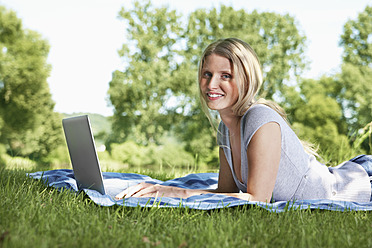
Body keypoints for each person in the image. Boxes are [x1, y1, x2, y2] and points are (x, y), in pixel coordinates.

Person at [115, 38, 372, 203]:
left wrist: (179, 192)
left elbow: (255, 199)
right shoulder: (225, 128)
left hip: (357, 186)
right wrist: (162, 189)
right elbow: (225, 193)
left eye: (225, 75)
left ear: (246, 80)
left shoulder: (259, 118)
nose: (211, 84)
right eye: (207, 74)